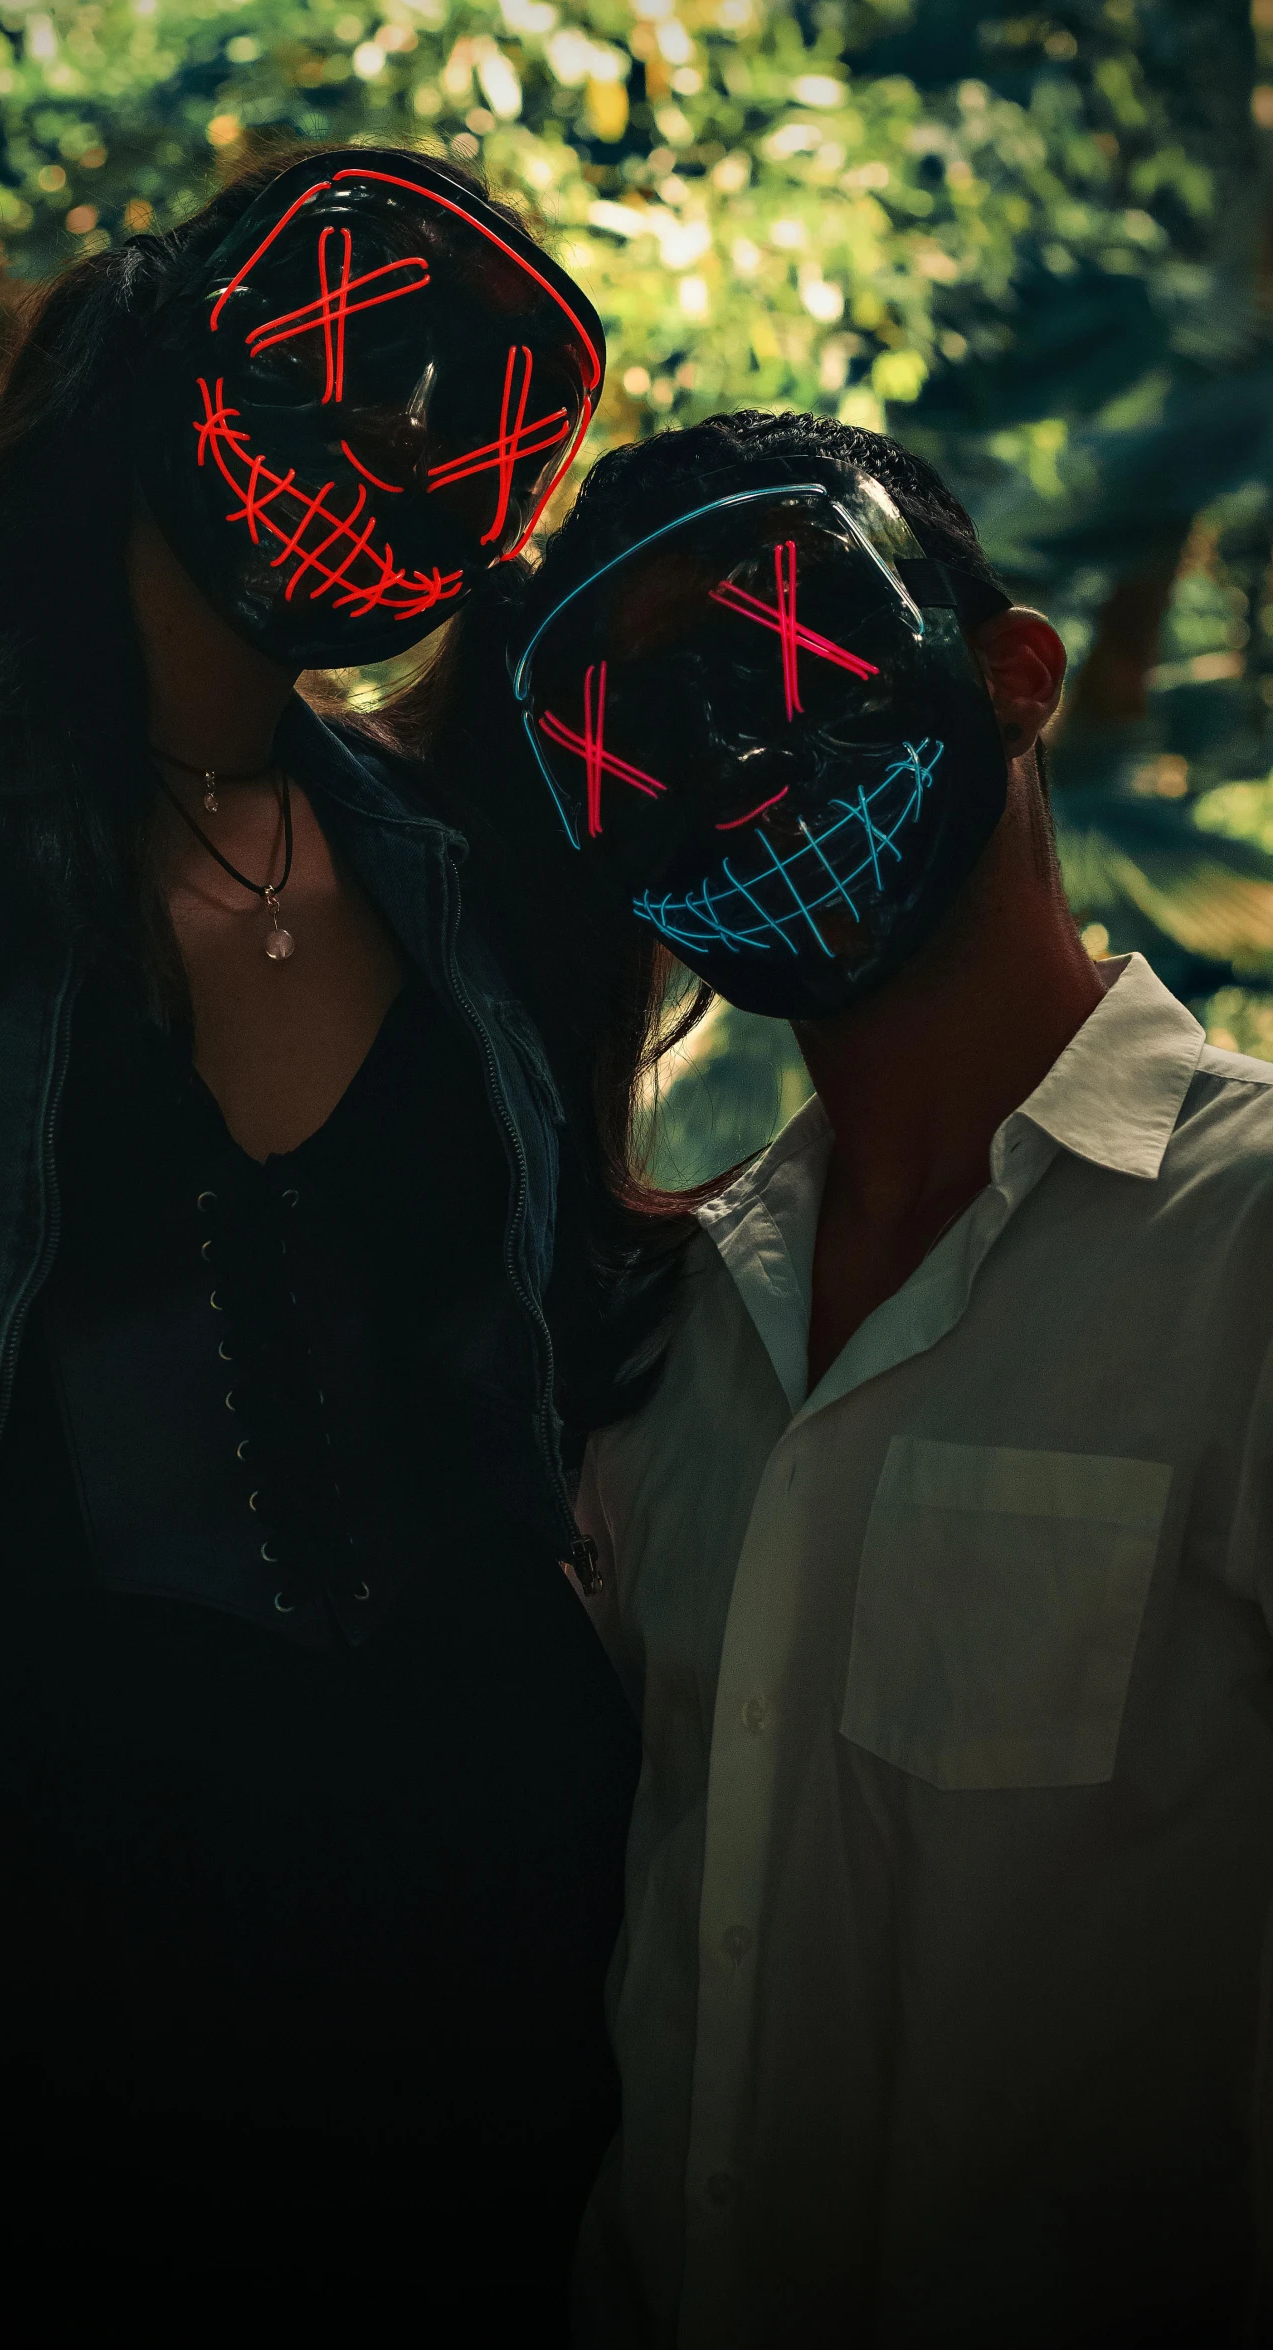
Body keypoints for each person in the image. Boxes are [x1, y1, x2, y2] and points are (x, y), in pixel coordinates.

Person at [0, 146, 690, 2349]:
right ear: (179, 362)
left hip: (480, 1893)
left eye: (471, 437)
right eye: (354, 382)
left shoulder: (453, 862)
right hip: (27, 1912)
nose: (402, 466)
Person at [505, 408, 1273, 2346]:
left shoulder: (1244, 1257)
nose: (737, 757)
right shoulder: (669, 1340)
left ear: (1017, 679)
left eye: (787, 654)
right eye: (642, 727)